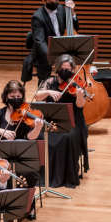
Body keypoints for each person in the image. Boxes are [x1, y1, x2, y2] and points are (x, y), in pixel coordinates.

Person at [0, 79, 42, 203]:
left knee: (29, 173)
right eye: (12, 96)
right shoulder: (1, 113)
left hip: (23, 154)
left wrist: (37, 127)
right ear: (6, 96)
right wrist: (1, 131)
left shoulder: (26, 113)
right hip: (3, 156)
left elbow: (31, 137)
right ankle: (5, 202)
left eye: (18, 96)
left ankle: (25, 204)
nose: (16, 99)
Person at [38, 54, 89, 184]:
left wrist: (79, 95)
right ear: (57, 68)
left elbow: (80, 105)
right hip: (52, 119)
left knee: (68, 137)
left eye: (69, 69)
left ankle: (66, 174)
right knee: (41, 135)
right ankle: (46, 173)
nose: (65, 71)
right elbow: (37, 96)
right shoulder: (50, 82)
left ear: (73, 71)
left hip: (73, 121)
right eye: (63, 68)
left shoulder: (76, 84)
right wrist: (48, 92)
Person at [23, 0, 78, 84]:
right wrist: (52, 56)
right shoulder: (37, 17)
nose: (55, 4)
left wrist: (72, 13)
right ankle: (43, 91)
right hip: (45, 51)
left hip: (61, 47)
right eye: (51, 2)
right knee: (44, 77)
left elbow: (75, 27)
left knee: (69, 66)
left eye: (57, 1)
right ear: (43, 0)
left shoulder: (61, 9)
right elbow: (40, 42)